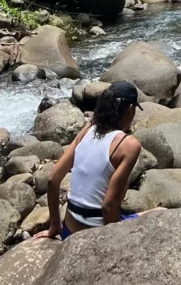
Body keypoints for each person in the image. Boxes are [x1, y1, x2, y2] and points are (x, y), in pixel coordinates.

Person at [38, 80, 158, 238]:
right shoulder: (128, 145)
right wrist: (114, 241)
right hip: (97, 235)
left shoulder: (87, 129)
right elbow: (108, 206)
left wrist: (55, 224)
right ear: (130, 109)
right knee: (161, 213)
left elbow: (53, 179)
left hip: (68, 232)